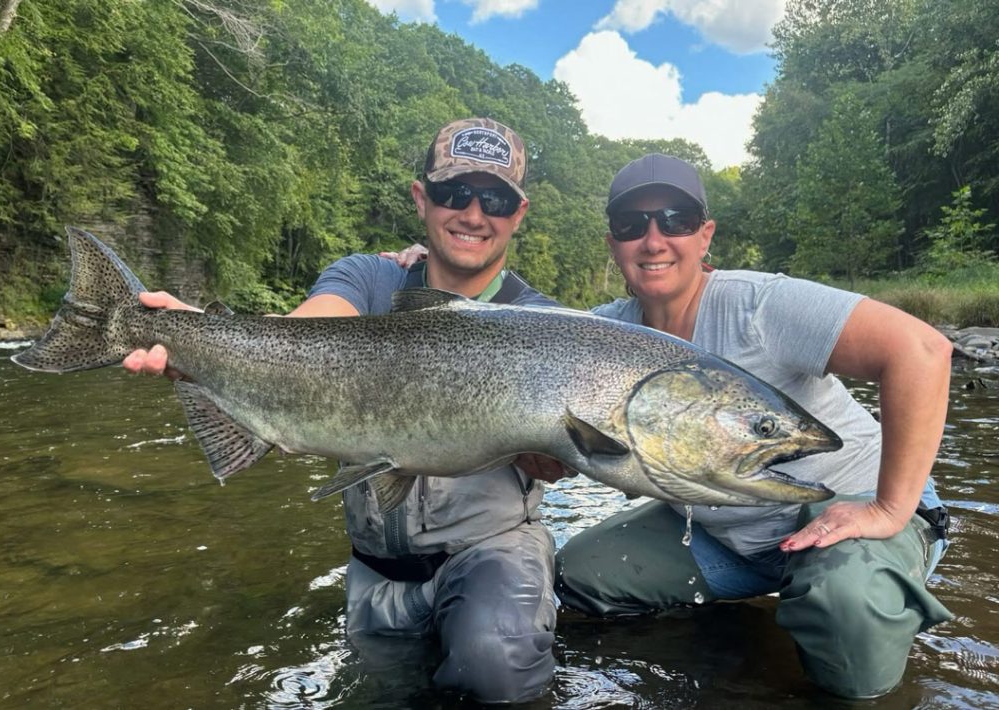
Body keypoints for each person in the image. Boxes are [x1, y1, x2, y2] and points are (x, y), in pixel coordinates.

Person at [123, 118, 568, 703]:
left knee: (497, 671)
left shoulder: (547, 326)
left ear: (518, 212)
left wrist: (557, 455)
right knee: (379, 696)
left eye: (496, 199)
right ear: (421, 198)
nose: (473, 213)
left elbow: (565, 459)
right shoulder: (366, 277)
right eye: (453, 192)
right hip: (376, 568)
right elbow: (304, 333)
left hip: (491, 554)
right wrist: (204, 339)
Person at [553, 153, 955, 699]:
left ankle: (853, 600)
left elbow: (923, 350)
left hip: (852, 505)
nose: (653, 239)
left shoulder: (760, 306)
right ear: (613, 243)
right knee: (577, 576)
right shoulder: (600, 333)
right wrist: (417, 268)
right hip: (728, 536)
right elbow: (516, 325)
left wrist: (888, 508)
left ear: (705, 235)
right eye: (632, 224)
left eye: (675, 220)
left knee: (846, 620)